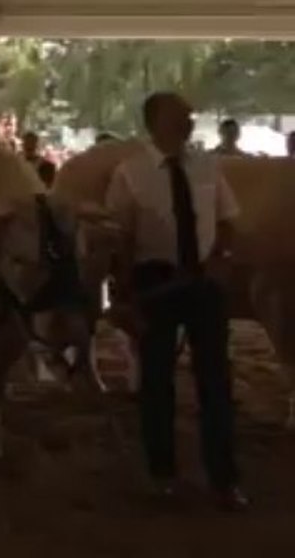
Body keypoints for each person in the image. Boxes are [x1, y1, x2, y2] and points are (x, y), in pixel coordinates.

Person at [106, 92, 248, 511]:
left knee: (216, 381)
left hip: (204, 281)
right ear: (155, 122)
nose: (189, 120)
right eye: (180, 115)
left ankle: (224, 479)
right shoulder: (130, 173)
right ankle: (162, 474)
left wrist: (221, 256)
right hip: (156, 282)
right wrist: (125, 294)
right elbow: (121, 239)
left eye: (189, 115)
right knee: (156, 381)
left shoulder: (207, 166)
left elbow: (227, 219)